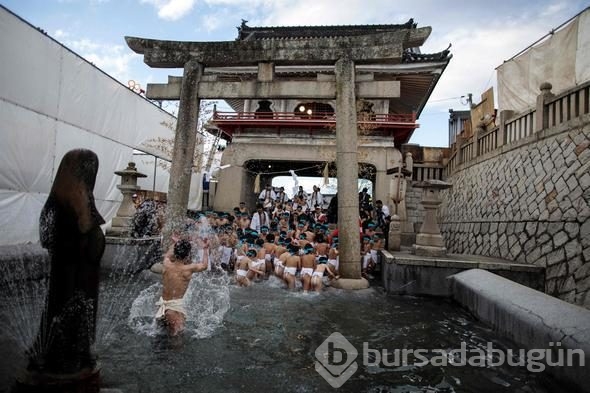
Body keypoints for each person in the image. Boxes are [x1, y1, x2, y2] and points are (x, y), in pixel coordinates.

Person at [156, 238, 209, 336]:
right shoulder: (188, 269)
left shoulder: (166, 263)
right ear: (188, 255)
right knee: (177, 342)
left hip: (162, 307)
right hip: (174, 309)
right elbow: (204, 265)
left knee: (160, 339)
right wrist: (205, 249)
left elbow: (168, 254)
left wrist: (175, 243)